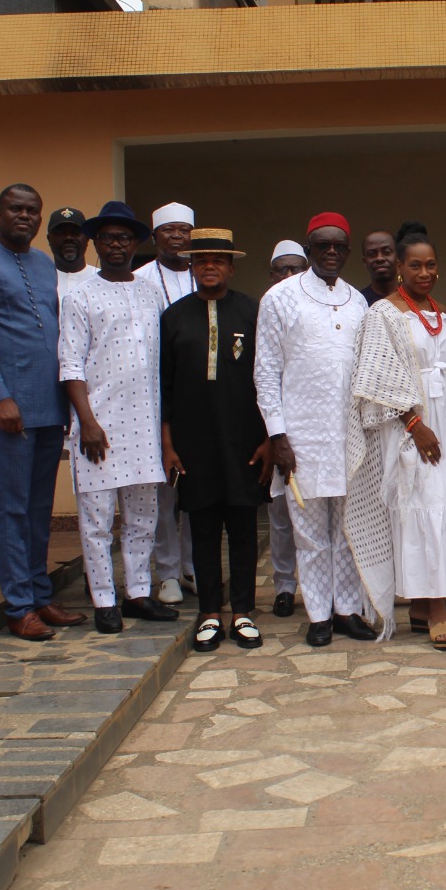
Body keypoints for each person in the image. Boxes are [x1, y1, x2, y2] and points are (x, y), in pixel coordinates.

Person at [0, 184, 85, 641]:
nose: (24, 216)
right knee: (11, 508)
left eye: (32, 211)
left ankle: (40, 594)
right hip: (7, 408)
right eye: (16, 209)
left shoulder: (42, 263)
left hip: (48, 405)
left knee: (39, 507)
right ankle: (18, 605)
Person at [347, 228, 446, 649]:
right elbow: (373, 377)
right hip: (410, 425)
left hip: (444, 420)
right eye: (415, 265)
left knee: (445, 502)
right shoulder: (383, 314)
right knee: (422, 505)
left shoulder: (440, 311)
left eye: (431, 264)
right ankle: (436, 608)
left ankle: (425, 607)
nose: (425, 272)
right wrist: (413, 423)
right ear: (400, 269)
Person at [256, 212, 377, 647]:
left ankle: (347, 610)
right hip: (301, 439)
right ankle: (319, 615)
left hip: (350, 435)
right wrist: (278, 436)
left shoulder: (357, 301)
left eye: (338, 246)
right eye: (321, 245)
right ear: (308, 251)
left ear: (347, 252)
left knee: (347, 530)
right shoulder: (280, 298)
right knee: (309, 533)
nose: (330, 252)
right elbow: (266, 373)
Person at [59, 202, 180, 634]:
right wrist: (87, 421)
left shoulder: (150, 292)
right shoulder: (79, 295)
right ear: (95, 243)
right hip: (100, 427)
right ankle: (104, 599)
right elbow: (70, 365)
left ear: (135, 243)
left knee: (143, 518)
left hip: (145, 427)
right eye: (107, 238)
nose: (116, 245)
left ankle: (138, 594)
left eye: (124, 238)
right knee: (96, 521)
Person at [162, 228, 270, 651]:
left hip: (243, 440)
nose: (209, 266)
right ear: (191, 265)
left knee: (243, 528)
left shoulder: (250, 311)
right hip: (193, 443)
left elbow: (267, 380)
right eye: (201, 259)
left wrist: (266, 438)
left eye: (218, 259)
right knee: (202, 529)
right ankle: (209, 613)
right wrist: (168, 444)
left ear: (230, 266)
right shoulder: (174, 316)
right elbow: (165, 388)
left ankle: (242, 611)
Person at [137, 201, 201, 606]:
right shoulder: (141, 279)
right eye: (168, 231)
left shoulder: (205, 275)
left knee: (196, 489)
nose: (177, 237)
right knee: (163, 491)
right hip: (155, 395)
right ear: (155, 236)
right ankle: (167, 573)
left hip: (197, 397)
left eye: (183, 230)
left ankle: (192, 565)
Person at [265, 240, 307, 618]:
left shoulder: (314, 306)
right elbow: (263, 378)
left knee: (312, 514)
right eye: (282, 269)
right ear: (271, 272)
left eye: (297, 269)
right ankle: (283, 585)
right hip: (273, 432)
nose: (289, 276)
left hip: (311, 432)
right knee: (280, 514)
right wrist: (271, 435)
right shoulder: (266, 308)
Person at [47, 205, 98, 302]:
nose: (68, 238)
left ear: (87, 239)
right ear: (49, 239)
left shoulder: (101, 278)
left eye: (75, 232)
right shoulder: (39, 280)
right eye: (60, 233)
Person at [359, 229, 398, 305]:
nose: (379, 258)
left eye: (386, 252)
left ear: (398, 257)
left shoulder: (413, 297)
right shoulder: (359, 302)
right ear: (365, 261)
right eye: (372, 254)